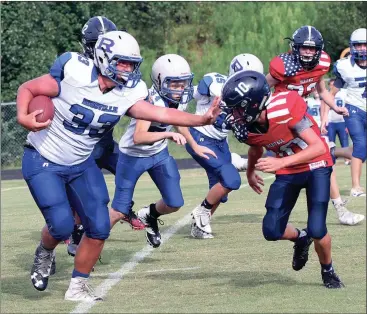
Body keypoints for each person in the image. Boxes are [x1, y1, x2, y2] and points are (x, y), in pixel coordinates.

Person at [17, 30, 220, 301]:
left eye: (131, 63)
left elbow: (161, 113)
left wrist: (202, 120)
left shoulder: (130, 92)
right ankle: (45, 251)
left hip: (81, 163)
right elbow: (28, 88)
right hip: (43, 158)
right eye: (122, 62)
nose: (127, 69)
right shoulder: (74, 72)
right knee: (62, 225)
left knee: (100, 227)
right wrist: (22, 116)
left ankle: (77, 287)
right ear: (102, 58)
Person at [222, 70, 344, 289]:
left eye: (238, 107)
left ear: (253, 104)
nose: (234, 114)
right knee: (272, 230)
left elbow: (318, 147)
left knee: (318, 228)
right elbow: (256, 148)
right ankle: (300, 238)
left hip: (316, 165)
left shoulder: (284, 106)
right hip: (289, 170)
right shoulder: (249, 127)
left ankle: (328, 270)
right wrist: (250, 172)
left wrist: (280, 163)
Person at [266, 25, 362, 226]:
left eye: (312, 48)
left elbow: (322, 90)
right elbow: (262, 88)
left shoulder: (322, 63)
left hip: (299, 114)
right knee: (312, 158)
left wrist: (335, 107)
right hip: (281, 116)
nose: (308, 52)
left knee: (324, 156)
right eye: (304, 48)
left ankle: (339, 208)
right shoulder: (283, 66)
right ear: (295, 47)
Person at [66, 16, 145, 259]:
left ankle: (124, 209)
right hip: (79, 148)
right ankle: (68, 235)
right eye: (94, 43)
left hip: (105, 144)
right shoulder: (76, 70)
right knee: (82, 201)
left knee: (127, 170)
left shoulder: (119, 73)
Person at [108, 54, 196, 248]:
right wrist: (167, 136)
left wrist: (196, 145)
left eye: (183, 84)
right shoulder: (148, 100)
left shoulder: (179, 99)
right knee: (119, 211)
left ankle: (149, 215)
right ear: (159, 80)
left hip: (158, 155)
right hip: (133, 156)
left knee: (174, 202)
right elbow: (138, 137)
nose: (180, 89)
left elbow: (178, 122)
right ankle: (89, 241)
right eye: (175, 84)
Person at [178, 54, 264, 239]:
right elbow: (193, 91)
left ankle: (200, 225)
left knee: (219, 192)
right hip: (201, 138)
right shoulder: (217, 83)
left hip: (220, 143)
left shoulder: (253, 98)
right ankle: (201, 213)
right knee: (232, 180)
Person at [332, 28, 366, 197]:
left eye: (364, 45)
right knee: (360, 144)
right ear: (352, 47)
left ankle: (334, 151)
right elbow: (330, 93)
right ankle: (355, 187)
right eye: (358, 45)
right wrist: (324, 117)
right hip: (353, 109)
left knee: (361, 148)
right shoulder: (344, 66)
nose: (361, 49)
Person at [324, 79, 350, 165]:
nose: (333, 87)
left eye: (334, 85)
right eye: (331, 85)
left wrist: (347, 123)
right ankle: (332, 160)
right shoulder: (327, 94)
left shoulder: (343, 93)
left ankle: (347, 160)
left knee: (344, 141)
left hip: (342, 121)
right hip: (331, 121)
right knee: (331, 142)